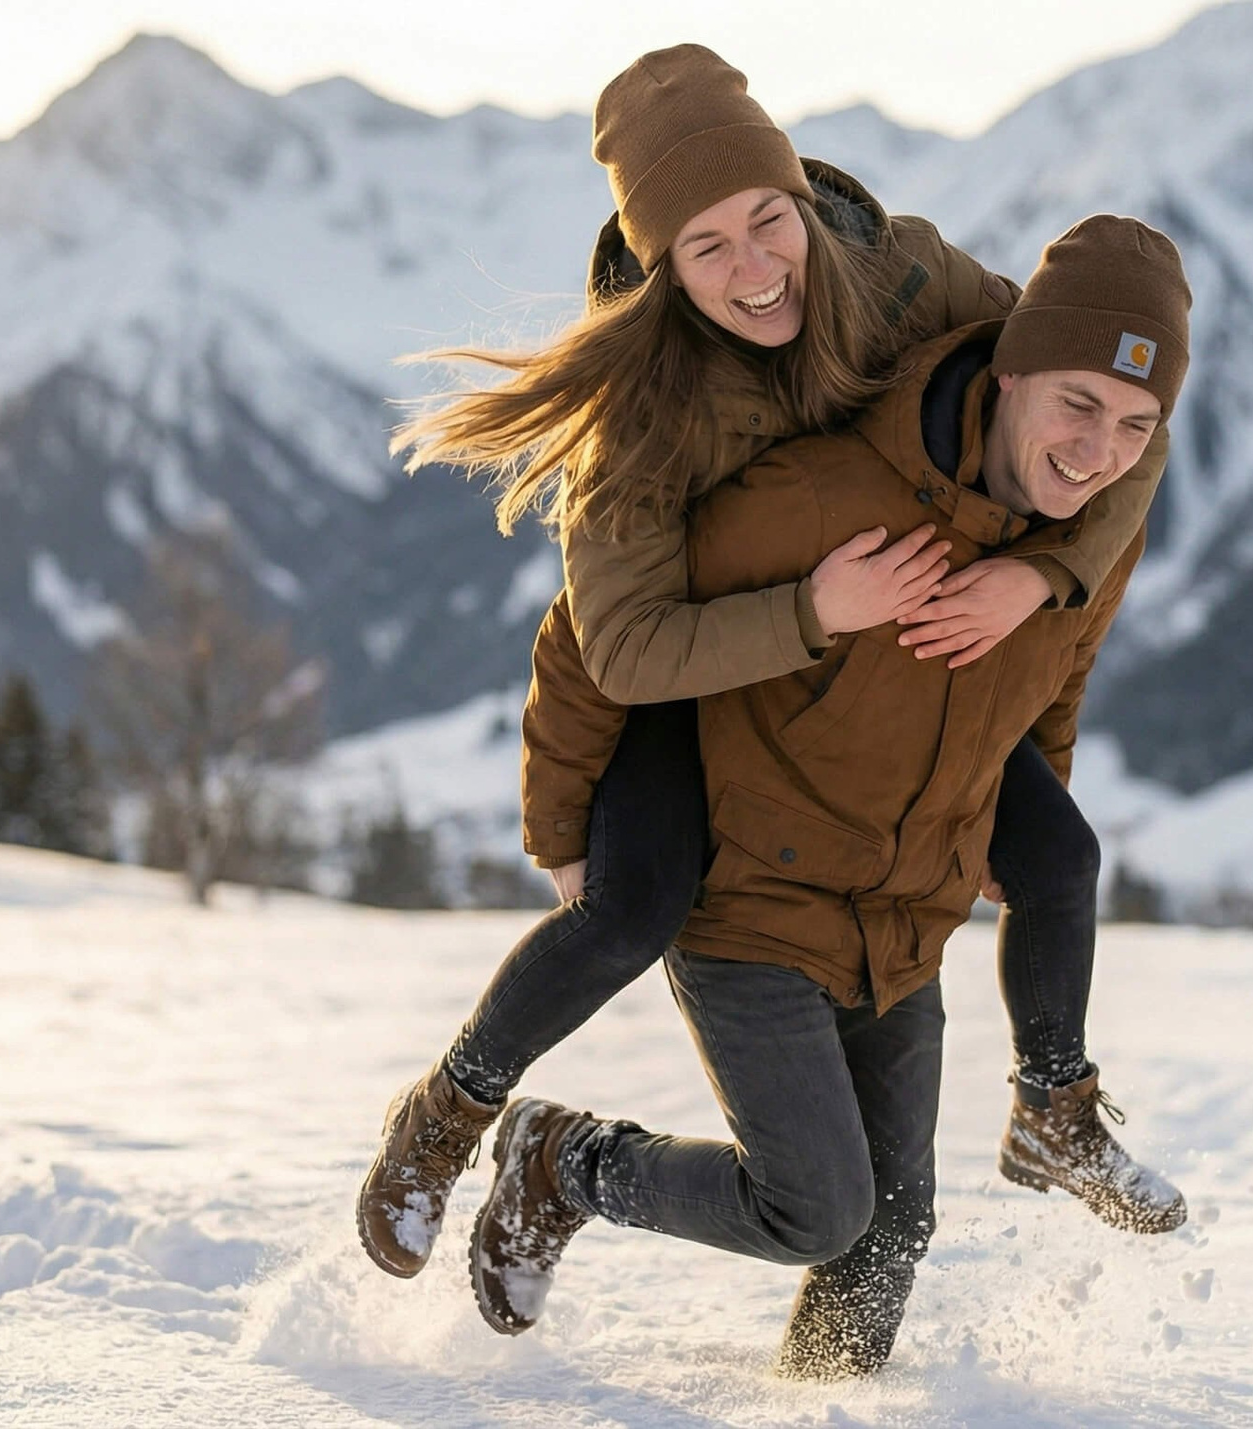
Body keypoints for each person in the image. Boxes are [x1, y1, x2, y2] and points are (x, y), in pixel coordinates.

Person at [359, 45, 1177, 1287]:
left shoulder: (905, 279)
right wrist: (807, 612)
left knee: (1057, 857)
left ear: (802, 199)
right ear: (660, 268)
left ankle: (1050, 1113)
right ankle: (460, 1114)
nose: (755, 269)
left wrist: (1037, 577)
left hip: (877, 679)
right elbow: (607, 645)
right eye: (706, 248)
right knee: (630, 907)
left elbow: (1109, 395)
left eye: (767, 218)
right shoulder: (644, 416)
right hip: (687, 683)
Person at [468, 216, 1195, 1378]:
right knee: (816, 1208)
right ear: (1008, 367)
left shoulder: (1091, 531)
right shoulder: (823, 493)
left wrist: (1017, 813)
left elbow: (1057, 674)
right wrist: (561, 822)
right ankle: (565, 1161)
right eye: (1075, 403)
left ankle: (817, 1407)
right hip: (750, 898)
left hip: (904, 911)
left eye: (1134, 426)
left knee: (889, 1236)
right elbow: (597, 639)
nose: (1098, 449)